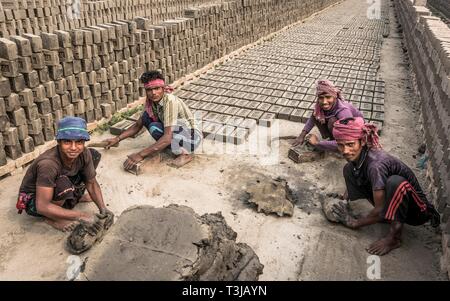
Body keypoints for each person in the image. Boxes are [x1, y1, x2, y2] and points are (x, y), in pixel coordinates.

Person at [330, 117, 440, 255]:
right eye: (340, 145)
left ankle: (394, 238)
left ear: (362, 141)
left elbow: (380, 208)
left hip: (417, 212)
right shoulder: (359, 157)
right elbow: (356, 172)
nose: (345, 150)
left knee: (395, 182)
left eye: (350, 144)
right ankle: (385, 216)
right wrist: (343, 200)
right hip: (394, 204)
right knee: (348, 169)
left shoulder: (376, 165)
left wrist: (355, 223)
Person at [16, 117, 113, 232]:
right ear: (59, 142)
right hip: (34, 201)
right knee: (63, 184)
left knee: (93, 155)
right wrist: (81, 215)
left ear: (83, 142)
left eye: (79, 142)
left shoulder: (83, 153)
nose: (73, 148)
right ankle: (52, 218)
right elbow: (42, 206)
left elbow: (91, 183)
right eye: (67, 141)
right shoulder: (48, 164)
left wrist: (103, 209)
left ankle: (73, 197)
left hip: (57, 183)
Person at [102, 70, 202, 170]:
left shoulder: (170, 101)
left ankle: (185, 153)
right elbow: (137, 125)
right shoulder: (150, 102)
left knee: (156, 129)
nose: (153, 93)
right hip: (177, 133)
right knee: (147, 119)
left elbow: (167, 137)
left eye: (157, 88)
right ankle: (169, 148)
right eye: (149, 90)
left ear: (163, 88)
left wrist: (140, 155)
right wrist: (117, 139)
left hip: (192, 138)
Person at [293, 80, 364, 152]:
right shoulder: (319, 107)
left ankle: (335, 145)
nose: (324, 102)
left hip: (354, 133)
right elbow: (312, 119)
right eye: (321, 98)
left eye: (328, 97)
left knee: (332, 121)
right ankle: (331, 139)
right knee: (317, 115)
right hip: (342, 127)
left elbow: (347, 140)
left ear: (334, 96)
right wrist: (302, 135)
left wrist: (317, 143)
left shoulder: (343, 111)